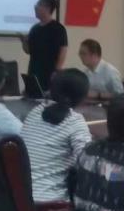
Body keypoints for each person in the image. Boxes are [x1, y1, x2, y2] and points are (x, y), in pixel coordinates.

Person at [21, 69, 92, 202]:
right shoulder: (74, 121)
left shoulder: (35, 112)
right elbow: (87, 164)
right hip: (49, 203)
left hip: (19, 198)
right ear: (82, 97)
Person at [19, 0, 67, 95]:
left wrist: (57, 71)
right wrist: (24, 42)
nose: (35, 7)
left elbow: (63, 50)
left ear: (48, 8)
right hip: (33, 72)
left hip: (49, 74)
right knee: (31, 97)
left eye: (39, 4)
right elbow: (28, 51)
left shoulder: (58, 28)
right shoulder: (34, 28)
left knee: (47, 99)